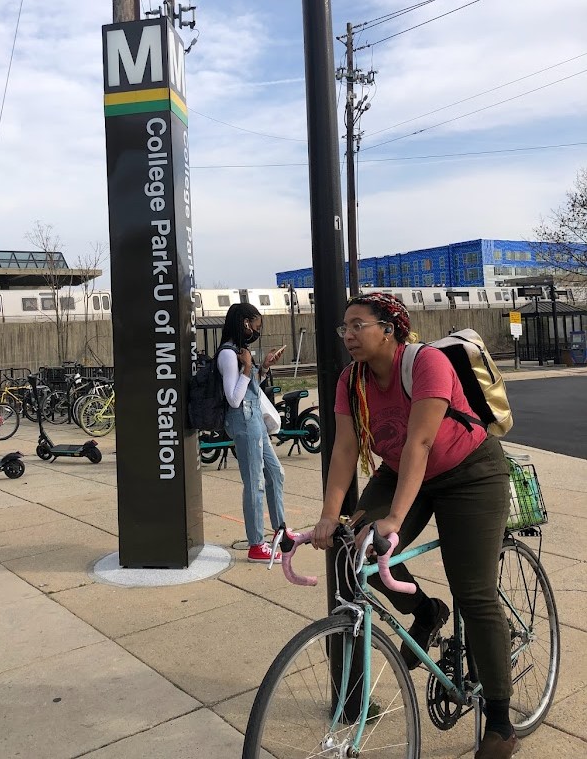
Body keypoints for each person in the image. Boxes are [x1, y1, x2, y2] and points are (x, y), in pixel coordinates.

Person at [311, 293, 516, 759]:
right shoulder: (351, 381)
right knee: (354, 549)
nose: (347, 335)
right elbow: (344, 450)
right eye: (344, 326)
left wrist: (394, 521)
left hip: (470, 472)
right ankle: (425, 612)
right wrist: (329, 516)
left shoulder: (426, 363)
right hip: (399, 471)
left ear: (390, 328)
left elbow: (421, 442)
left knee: (474, 591)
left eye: (357, 325)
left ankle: (502, 723)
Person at [218, 303, 288, 563]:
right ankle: (256, 544)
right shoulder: (227, 354)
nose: (257, 331)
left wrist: (263, 368)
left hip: (254, 419)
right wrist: (247, 368)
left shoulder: (239, 352)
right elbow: (234, 399)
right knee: (255, 482)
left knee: (275, 473)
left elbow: (248, 389)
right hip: (243, 421)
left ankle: (280, 530)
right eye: (256, 326)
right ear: (245, 323)